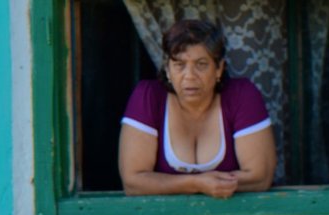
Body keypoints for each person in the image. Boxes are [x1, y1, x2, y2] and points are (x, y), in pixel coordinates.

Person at [118, 19, 276, 198]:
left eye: (201, 64)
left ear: (219, 69)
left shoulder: (242, 96)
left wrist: (174, 184)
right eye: (179, 65)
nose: (189, 76)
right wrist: (197, 183)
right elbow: (133, 182)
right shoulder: (148, 97)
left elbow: (259, 177)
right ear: (168, 70)